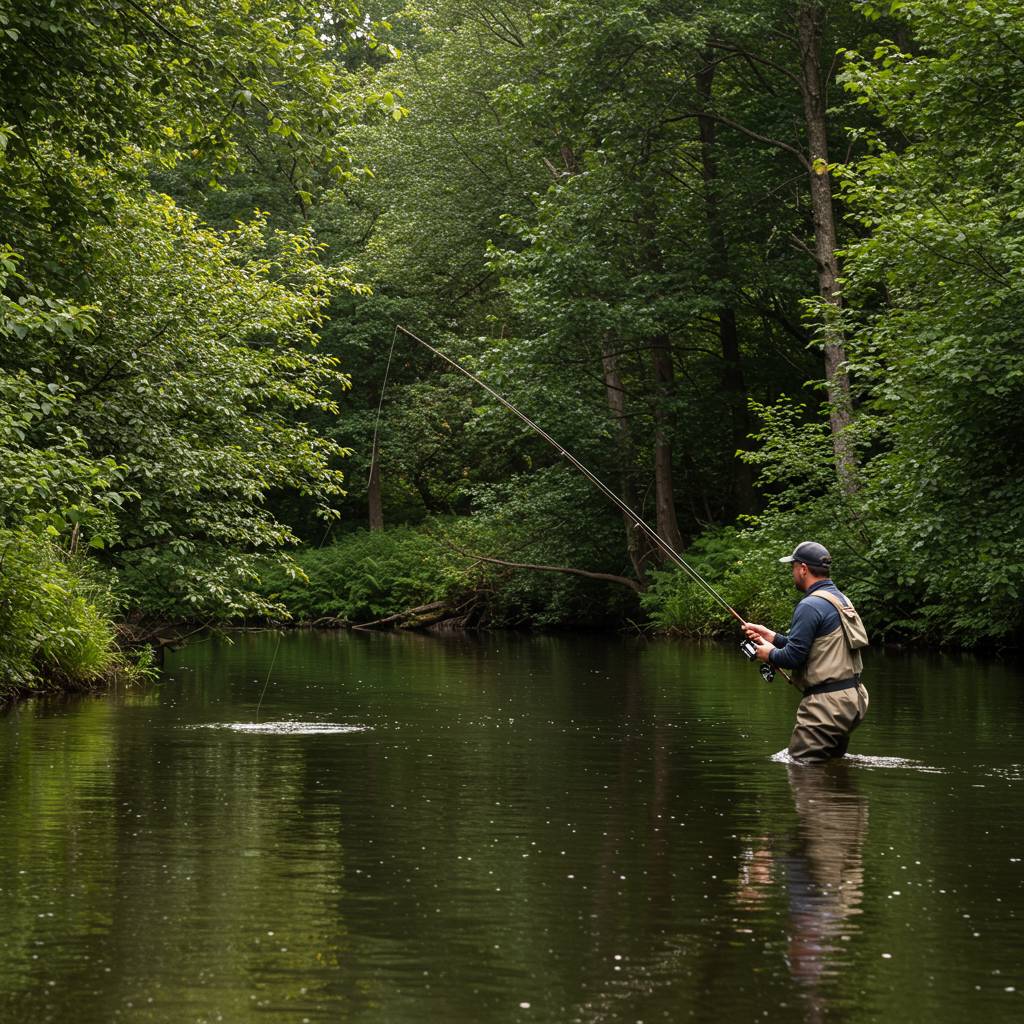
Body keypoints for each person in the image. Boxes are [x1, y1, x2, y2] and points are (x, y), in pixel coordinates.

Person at [743, 541, 869, 763]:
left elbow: (793, 657)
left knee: (800, 767)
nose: (792, 573)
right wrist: (772, 637)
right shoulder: (839, 600)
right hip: (852, 699)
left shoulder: (810, 605)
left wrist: (767, 654)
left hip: (827, 706)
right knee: (831, 766)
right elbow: (816, 647)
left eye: (793, 567)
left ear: (803, 569)